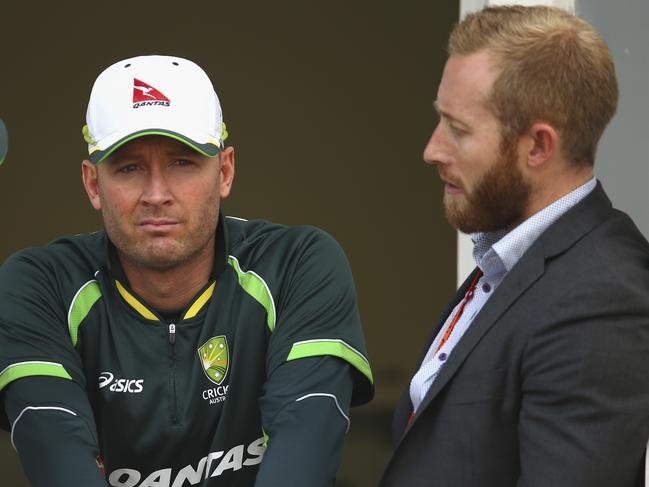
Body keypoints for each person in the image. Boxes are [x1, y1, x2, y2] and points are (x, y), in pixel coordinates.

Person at [0, 55, 373, 487]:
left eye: (182, 162)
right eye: (129, 167)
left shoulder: (296, 264)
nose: (157, 194)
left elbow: (304, 445)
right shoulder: (39, 285)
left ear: (225, 172)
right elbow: (56, 452)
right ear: (92, 184)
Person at [380, 6, 649, 487]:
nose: (432, 149)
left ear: (538, 147)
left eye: (458, 128)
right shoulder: (508, 256)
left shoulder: (602, 297)